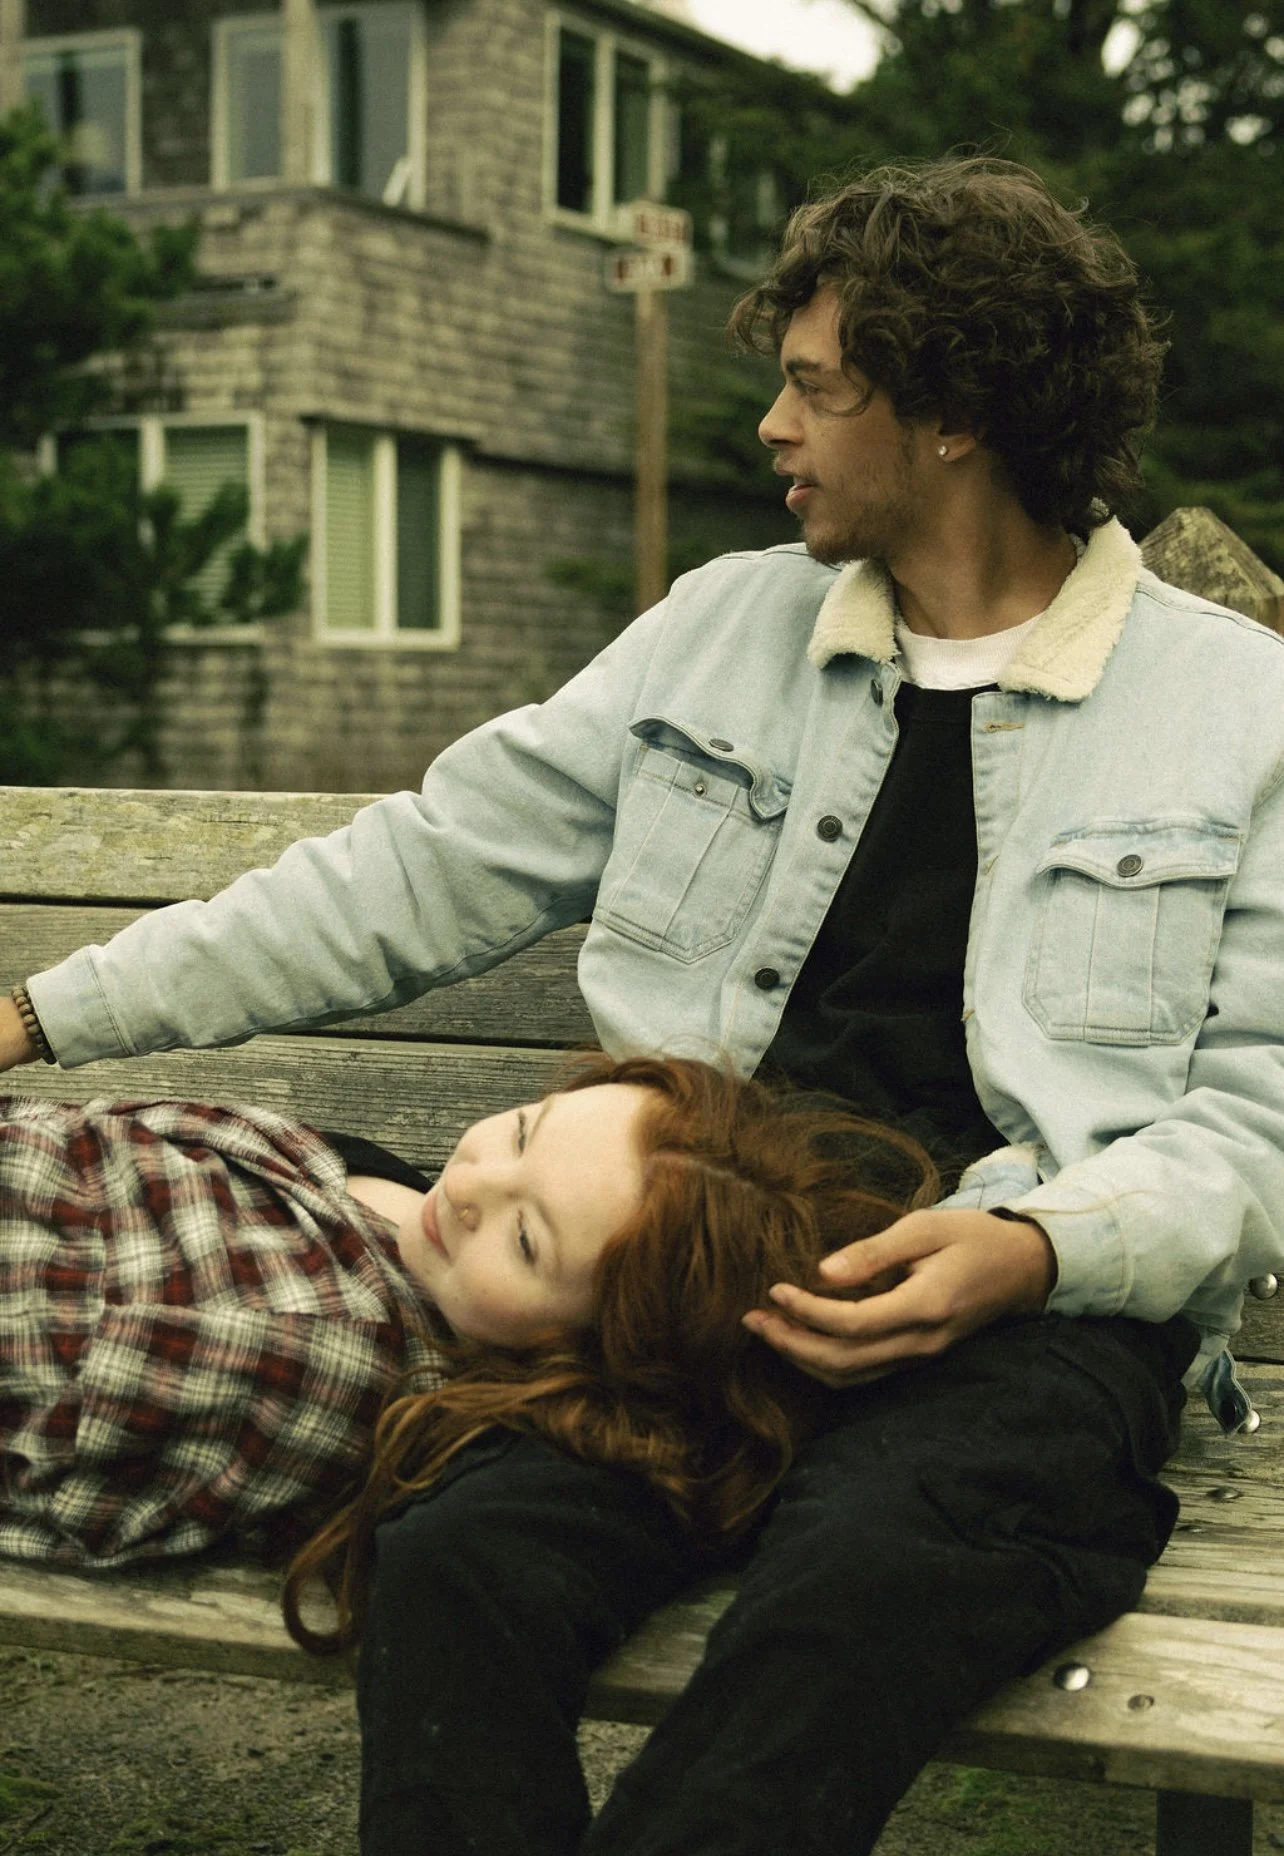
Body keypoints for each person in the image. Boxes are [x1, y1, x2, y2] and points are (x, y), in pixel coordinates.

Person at [3, 153, 1283, 1854]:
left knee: (868, 1572)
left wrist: (1037, 1248)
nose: (769, 425)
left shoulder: (1234, 712)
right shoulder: (715, 633)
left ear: (954, 413)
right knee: (457, 1552)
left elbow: (1250, 1126)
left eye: (814, 389)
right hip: (665, 1300)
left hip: (1016, 1325)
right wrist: (38, 1014)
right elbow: (414, 871)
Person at [0, 1058, 929, 1574]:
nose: (477, 1182)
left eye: (527, 1242)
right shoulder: (409, 1222)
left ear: (585, 1349)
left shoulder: (323, 1356)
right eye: (523, 1128)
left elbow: (64, 1371)